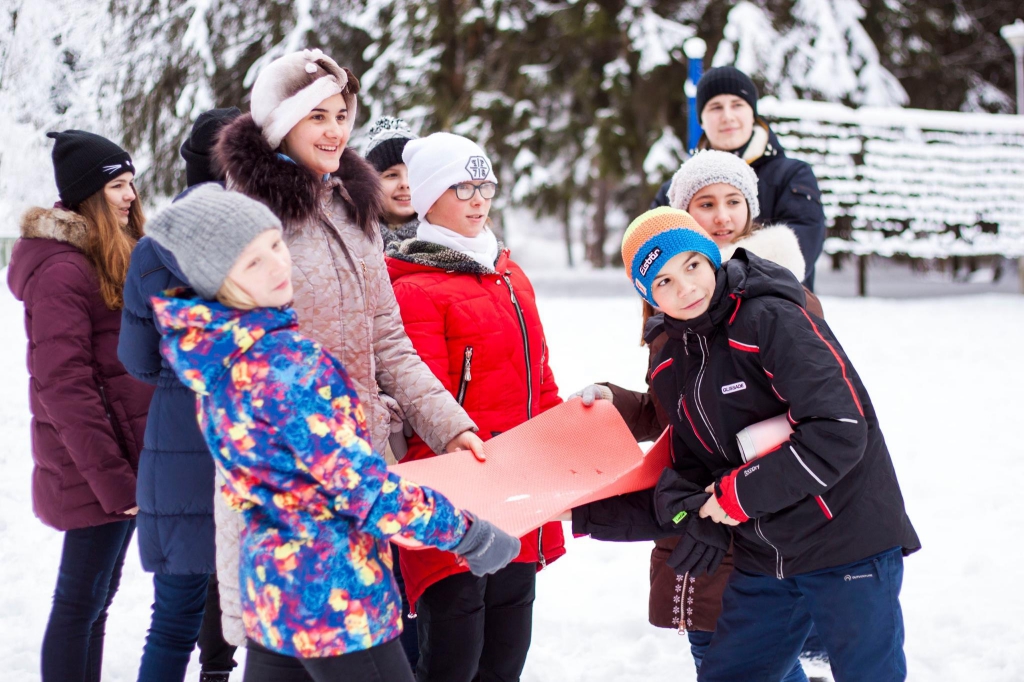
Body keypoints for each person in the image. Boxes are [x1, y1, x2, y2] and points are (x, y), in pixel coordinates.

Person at [144, 184, 519, 681]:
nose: (278, 265)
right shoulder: (284, 366)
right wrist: (466, 533)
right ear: (219, 282)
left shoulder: (219, 359)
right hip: (337, 600)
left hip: (274, 597)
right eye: (253, 263)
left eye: (275, 245)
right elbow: (362, 487)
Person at [573, 207, 920, 681]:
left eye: (692, 265)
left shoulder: (769, 318)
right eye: (664, 282)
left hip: (845, 541)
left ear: (711, 257)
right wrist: (577, 511)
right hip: (765, 555)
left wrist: (736, 495)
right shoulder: (672, 359)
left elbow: (838, 428)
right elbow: (687, 479)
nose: (686, 288)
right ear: (648, 295)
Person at [213, 48, 484, 649]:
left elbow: (389, 342)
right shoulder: (247, 218)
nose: (336, 130)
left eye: (341, 115)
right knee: (310, 643)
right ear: (281, 122)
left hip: (363, 463)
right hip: (289, 476)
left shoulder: (353, 209)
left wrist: (451, 427)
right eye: (318, 116)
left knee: (346, 643)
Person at [574, 149, 820, 680]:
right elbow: (672, 412)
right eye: (705, 204)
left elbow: (821, 412)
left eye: (733, 201)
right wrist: (615, 403)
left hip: (762, 505)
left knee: (750, 651)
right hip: (695, 509)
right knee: (724, 646)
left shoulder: (780, 296)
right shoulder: (667, 303)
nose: (722, 215)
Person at [385, 132, 566, 682]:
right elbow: (423, 405)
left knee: (507, 653)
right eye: (461, 187)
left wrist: (565, 443)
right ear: (426, 197)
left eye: (484, 185)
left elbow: (540, 379)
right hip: (454, 498)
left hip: (519, 489)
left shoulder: (510, 275)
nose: (478, 198)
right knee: (453, 658)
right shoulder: (413, 287)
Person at [7, 130, 153, 682]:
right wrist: (115, 480)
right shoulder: (64, 270)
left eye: (132, 182)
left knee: (94, 601)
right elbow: (63, 384)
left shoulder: (100, 256)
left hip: (117, 459)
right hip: (94, 464)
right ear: (88, 194)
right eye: (117, 185)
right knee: (79, 603)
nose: (130, 195)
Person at [119, 107, 242, 682]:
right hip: (253, 436)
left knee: (171, 621)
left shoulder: (151, 250)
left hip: (176, 441)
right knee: (273, 617)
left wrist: (178, 374)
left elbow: (136, 359)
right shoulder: (268, 238)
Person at [651, 66, 826, 290]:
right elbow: (654, 263)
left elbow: (800, 250)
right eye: (716, 107)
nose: (727, 116)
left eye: (737, 105)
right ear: (701, 120)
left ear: (753, 114)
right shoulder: (674, 191)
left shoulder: (792, 176)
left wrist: (700, 272)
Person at [365, 116, 420, 250]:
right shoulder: (354, 236)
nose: (405, 184)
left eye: (412, 174)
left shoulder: (445, 235)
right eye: (392, 175)